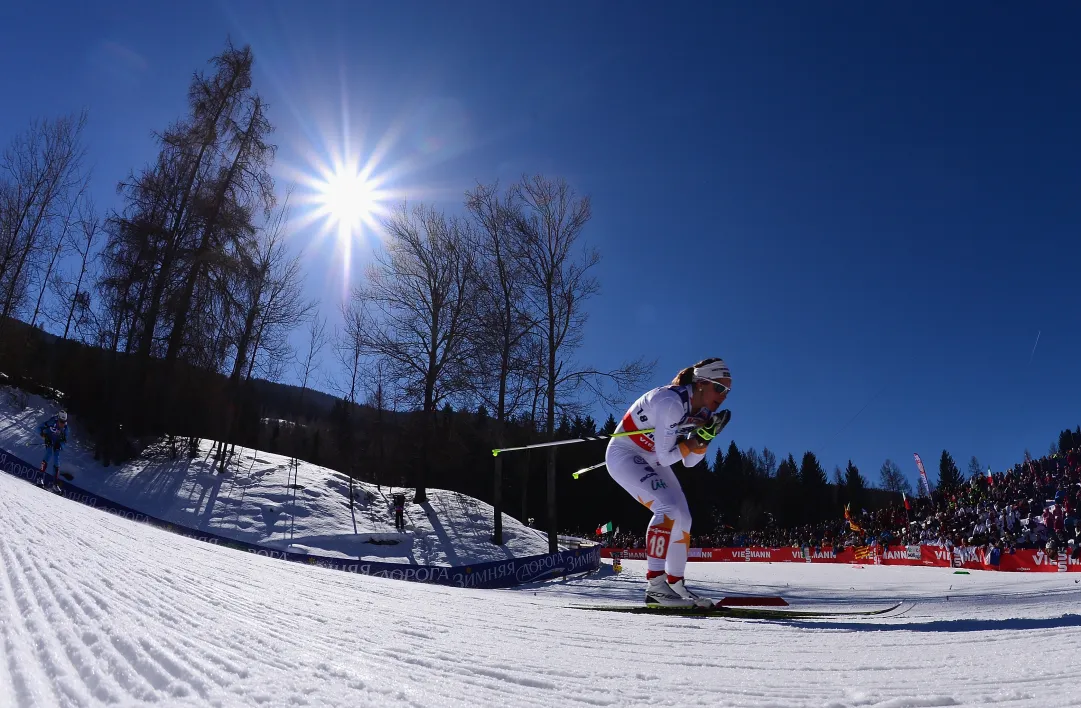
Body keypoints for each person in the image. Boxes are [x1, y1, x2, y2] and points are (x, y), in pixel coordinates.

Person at [605, 358, 731, 607]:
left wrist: (704, 439)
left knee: (683, 517)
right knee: (668, 508)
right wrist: (696, 441)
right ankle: (656, 586)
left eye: (727, 391)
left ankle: (675, 584)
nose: (724, 396)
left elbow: (689, 463)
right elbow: (667, 456)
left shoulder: (703, 412)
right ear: (702, 384)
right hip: (625, 455)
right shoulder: (670, 402)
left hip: (652, 459)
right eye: (720, 388)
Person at [38, 410, 70, 489]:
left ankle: (55, 484)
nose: (62, 423)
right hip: (49, 439)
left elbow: (65, 440)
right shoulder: (52, 421)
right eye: (61, 421)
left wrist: (61, 443)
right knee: (48, 454)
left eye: (64, 422)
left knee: (57, 459)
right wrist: (43, 435)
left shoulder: (66, 427)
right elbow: (39, 428)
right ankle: (40, 478)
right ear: (58, 419)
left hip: (57, 442)